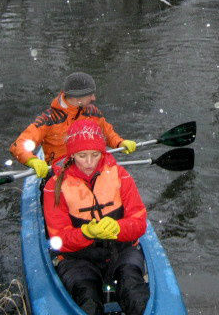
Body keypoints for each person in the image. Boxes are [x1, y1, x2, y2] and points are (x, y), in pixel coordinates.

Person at [42, 119, 149, 315]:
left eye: (95, 155)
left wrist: (118, 228)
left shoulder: (121, 176)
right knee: (87, 300)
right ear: (72, 154)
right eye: (82, 156)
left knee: (135, 292)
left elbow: (139, 223)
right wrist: (86, 233)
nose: (89, 163)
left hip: (121, 252)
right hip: (78, 260)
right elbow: (58, 241)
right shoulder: (54, 187)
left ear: (103, 153)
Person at [10, 72, 137, 178]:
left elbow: (106, 133)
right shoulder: (49, 119)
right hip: (60, 174)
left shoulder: (93, 112)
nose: (94, 98)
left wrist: (120, 142)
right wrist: (32, 161)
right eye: (90, 94)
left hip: (90, 168)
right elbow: (18, 146)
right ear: (78, 98)